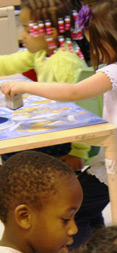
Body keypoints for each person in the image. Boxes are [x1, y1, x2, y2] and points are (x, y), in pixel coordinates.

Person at [1, 0, 117, 248]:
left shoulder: (116, 72)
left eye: (95, 42)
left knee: (72, 209)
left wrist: (25, 85)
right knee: (83, 198)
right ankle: (97, 245)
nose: (92, 48)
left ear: (112, 39)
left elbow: (73, 92)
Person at [0, 0, 89, 170]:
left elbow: (83, 109)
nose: (22, 34)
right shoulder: (41, 53)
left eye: (27, 29)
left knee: (12, 148)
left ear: (51, 33)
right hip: (55, 127)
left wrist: (80, 152)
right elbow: (9, 63)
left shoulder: (65, 62)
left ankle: (27, 191)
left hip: (69, 138)